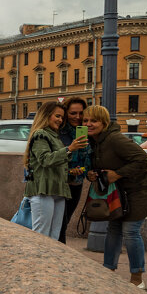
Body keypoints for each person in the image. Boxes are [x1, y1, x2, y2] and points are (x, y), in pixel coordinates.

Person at [84, 104, 147, 289]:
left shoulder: (115, 139)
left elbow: (142, 160)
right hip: (118, 193)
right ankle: (108, 271)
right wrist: (92, 174)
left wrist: (116, 174)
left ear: (104, 122)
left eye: (93, 121)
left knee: (130, 232)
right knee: (114, 229)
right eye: (86, 121)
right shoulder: (93, 141)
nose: (88, 124)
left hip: (139, 190)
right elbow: (99, 165)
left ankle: (137, 277)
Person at [22, 101, 86, 240]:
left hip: (58, 189)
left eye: (62, 117)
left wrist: (70, 172)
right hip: (43, 190)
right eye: (57, 116)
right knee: (41, 234)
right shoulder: (40, 134)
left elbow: (57, 163)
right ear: (46, 115)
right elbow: (45, 159)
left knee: (54, 236)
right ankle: (38, 262)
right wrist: (70, 149)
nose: (60, 120)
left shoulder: (54, 135)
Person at [57, 97, 91, 244]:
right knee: (58, 224)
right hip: (60, 184)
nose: (77, 117)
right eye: (73, 113)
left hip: (77, 184)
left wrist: (85, 170)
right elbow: (55, 157)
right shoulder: (59, 132)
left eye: (81, 113)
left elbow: (89, 158)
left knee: (65, 222)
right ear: (66, 114)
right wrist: (71, 148)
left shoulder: (87, 132)